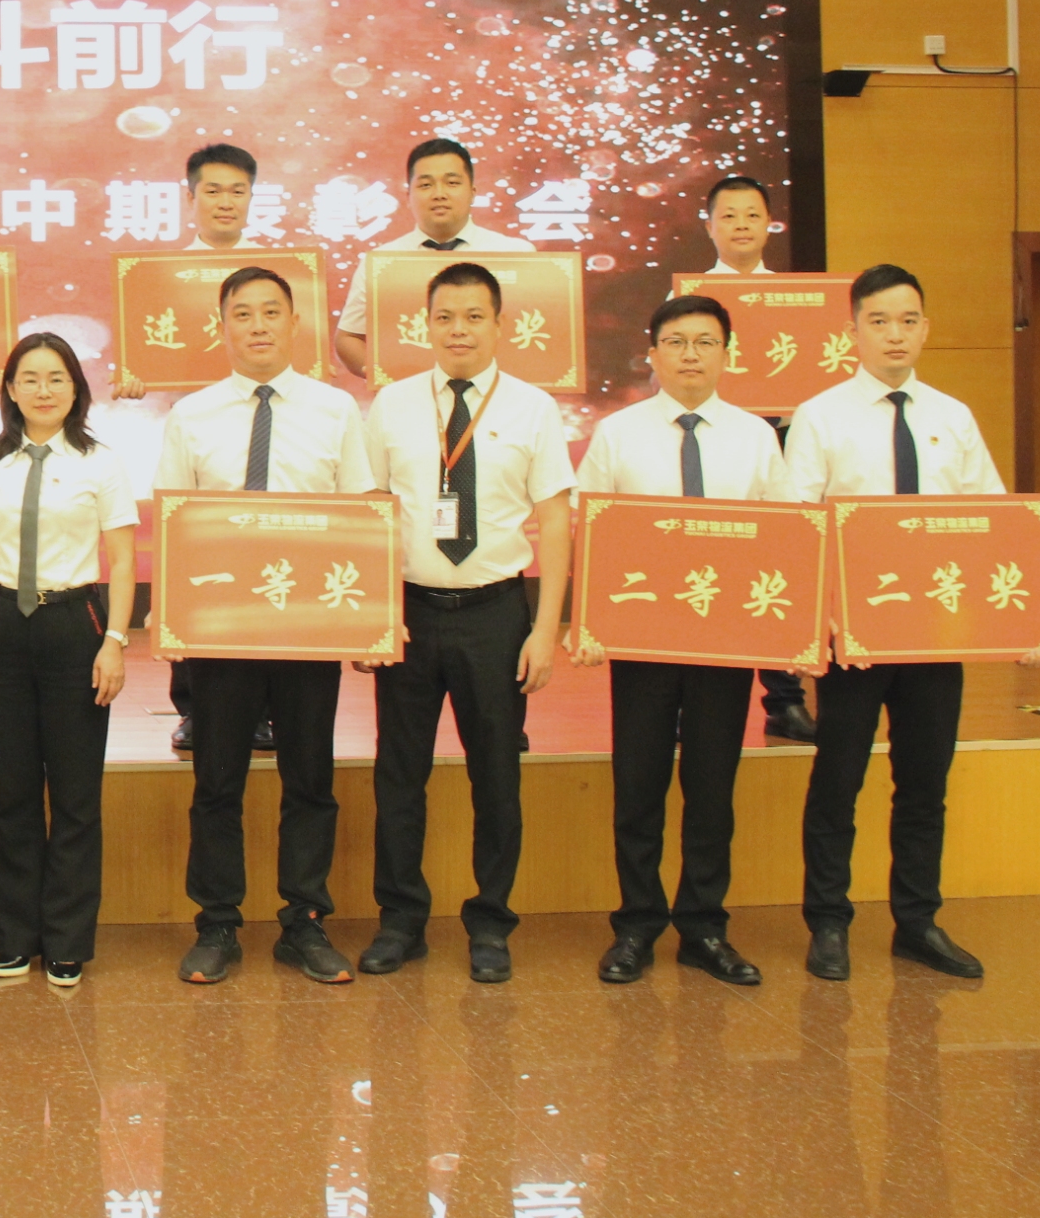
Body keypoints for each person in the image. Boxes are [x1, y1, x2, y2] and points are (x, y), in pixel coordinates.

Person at [785, 263, 1026, 983]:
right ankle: (828, 921)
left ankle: (917, 921)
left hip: (934, 635)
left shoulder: (953, 416)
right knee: (838, 780)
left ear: (926, 328)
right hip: (852, 638)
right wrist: (816, 628)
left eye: (909, 320)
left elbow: (992, 521)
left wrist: (1021, 623)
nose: (896, 333)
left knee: (924, 783)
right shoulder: (820, 415)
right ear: (852, 331)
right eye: (880, 321)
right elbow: (799, 526)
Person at [158, 266, 377, 986]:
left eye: (270, 312)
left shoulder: (335, 410)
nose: (257, 325)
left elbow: (361, 515)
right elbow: (174, 520)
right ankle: (217, 922)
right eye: (243, 313)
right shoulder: (191, 415)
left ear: (294, 323)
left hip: (309, 626)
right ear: (222, 326)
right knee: (217, 780)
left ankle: (304, 921)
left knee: (309, 778)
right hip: (222, 629)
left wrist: (368, 624)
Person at [359, 261, 573, 985]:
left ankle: (490, 922)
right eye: (445, 316)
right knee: (400, 774)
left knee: (497, 775)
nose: (459, 330)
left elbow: (555, 521)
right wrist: (373, 614)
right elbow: (369, 512)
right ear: (425, 324)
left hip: (496, 614)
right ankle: (401, 920)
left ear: (499, 325)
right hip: (411, 612)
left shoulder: (534, 407)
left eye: (474, 316)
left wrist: (545, 630)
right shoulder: (391, 406)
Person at [572, 295, 788, 988]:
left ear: (727, 352)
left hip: (725, 643)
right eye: (675, 341)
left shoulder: (756, 437)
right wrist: (591, 621)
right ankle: (636, 924)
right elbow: (587, 527)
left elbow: (784, 536)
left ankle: (703, 926)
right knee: (638, 785)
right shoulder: (618, 434)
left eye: (704, 341)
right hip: (642, 641)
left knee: (711, 786)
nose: (690, 354)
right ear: (652, 354)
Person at [0, 332, 137, 988]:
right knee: (14, 791)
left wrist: (116, 640)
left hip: (73, 623)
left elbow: (121, 559)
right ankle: (14, 936)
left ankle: (66, 940)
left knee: (76, 793)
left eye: (56, 377)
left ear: (76, 388)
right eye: (29, 378)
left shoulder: (99, 462)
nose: (43, 389)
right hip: (1, 624)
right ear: (9, 389)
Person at [111, 144, 268, 756]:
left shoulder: (280, 273)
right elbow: (146, 354)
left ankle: (265, 710)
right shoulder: (162, 277)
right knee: (194, 557)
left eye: (237, 191)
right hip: (198, 431)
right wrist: (135, 376)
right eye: (213, 191)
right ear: (191, 198)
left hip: (268, 427)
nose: (225, 202)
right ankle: (195, 708)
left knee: (266, 564)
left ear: (252, 198)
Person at [687, 173, 821, 744]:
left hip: (779, 441)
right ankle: (689, 699)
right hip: (709, 442)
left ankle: (784, 700)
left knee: (777, 568)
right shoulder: (688, 299)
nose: (741, 225)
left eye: (752, 215)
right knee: (704, 564)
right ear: (709, 226)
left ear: (770, 224)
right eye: (729, 215)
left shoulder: (800, 304)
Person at [333, 137, 534, 383]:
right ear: (408, 195)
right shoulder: (382, 263)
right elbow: (349, 337)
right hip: (411, 399)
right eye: (426, 185)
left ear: (472, 192)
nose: (439, 194)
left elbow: (541, 332)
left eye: (452, 183)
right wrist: (388, 378)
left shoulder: (516, 254)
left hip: (496, 395)